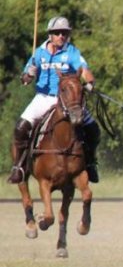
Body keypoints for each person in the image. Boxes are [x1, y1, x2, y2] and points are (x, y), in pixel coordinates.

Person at [7, 16, 101, 184]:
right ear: (50, 34)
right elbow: (25, 80)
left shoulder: (71, 52)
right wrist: (30, 74)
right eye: (57, 33)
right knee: (20, 128)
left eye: (64, 33)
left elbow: (84, 70)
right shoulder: (39, 53)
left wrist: (89, 83)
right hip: (43, 98)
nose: (61, 36)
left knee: (93, 129)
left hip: (68, 100)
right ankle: (18, 167)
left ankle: (91, 163)